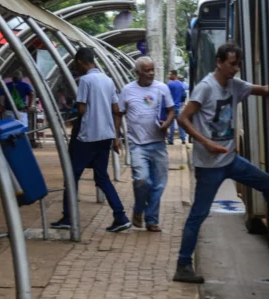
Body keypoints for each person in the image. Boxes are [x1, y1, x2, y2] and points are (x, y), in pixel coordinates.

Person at [173, 42, 269, 284]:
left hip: (230, 160)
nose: (235, 69)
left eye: (238, 65)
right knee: (198, 214)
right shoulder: (206, 88)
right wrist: (206, 143)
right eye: (231, 64)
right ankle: (183, 265)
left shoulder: (235, 85)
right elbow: (183, 119)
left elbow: (266, 91)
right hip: (209, 164)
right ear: (219, 62)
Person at [50, 48, 131, 233]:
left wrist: (74, 110)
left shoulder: (85, 80)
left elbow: (81, 109)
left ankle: (68, 216)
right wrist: (115, 136)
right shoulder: (108, 80)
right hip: (105, 135)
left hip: (87, 135)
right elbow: (116, 108)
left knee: (72, 176)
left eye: (75, 65)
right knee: (102, 177)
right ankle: (120, 216)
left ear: (80, 62)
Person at [117, 58, 175, 231]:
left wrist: (167, 124)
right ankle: (139, 209)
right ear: (137, 73)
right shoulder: (127, 90)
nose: (151, 73)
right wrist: (115, 136)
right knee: (142, 180)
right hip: (137, 145)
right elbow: (119, 113)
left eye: (152, 70)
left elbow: (172, 111)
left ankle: (151, 220)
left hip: (158, 144)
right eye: (147, 70)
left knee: (159, 184)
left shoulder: (162, 88)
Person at [165, 70, 187, 145]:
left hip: (171, 108)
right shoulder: (181, 84)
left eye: (170, 74)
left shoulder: (170, 84)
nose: (169, 76)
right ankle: (183, 139)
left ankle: (170, 140)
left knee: (171, 125)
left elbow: (167, 96)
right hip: (178, 107)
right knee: (180, 124)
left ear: (174, 75)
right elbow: (184, 96)